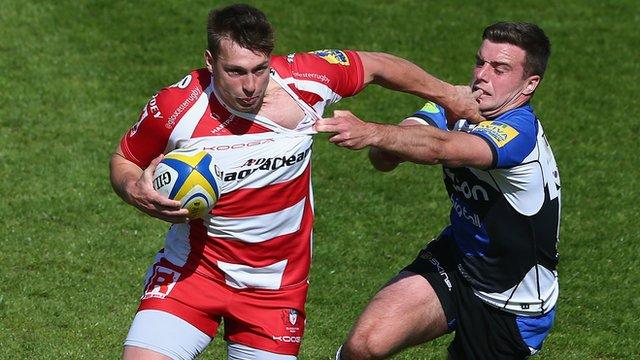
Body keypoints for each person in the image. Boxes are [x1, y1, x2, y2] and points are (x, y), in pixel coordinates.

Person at [109, 4, 482, 360]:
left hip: (275, 292)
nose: (251, 85)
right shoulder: (177, 107)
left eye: (260, 69)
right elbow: (125, 159)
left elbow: (376, 65)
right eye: (236, 72)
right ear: (210, 63)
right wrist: (134, 191)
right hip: (193, 273)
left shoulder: (306, 81)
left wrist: (448, 94)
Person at [316, 22, 560, 359]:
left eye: (500, 68)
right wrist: (390, 140)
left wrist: (374, 131)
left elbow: (442, 148)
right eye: (480, 62)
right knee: (363, 346)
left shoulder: (520, 135)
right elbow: (384, 159)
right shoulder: (458, 105)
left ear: (529, 83)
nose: (482, 76)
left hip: (511, 301)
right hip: (457, 259)